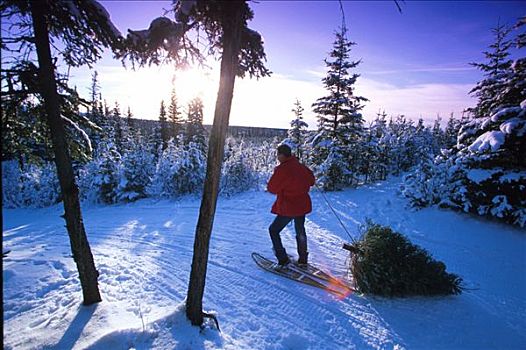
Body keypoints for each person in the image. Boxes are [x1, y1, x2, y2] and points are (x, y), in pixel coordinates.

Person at [267, 144, 315, 267]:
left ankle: (282, 260)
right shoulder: (301, 166)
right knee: (300, 231)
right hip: (302, 205)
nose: (277, 157)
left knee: (274, 230)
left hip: (288, 207)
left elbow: (272, 188)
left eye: (278, 154)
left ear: (283, 155)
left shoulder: (282, 169)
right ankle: (303, 260)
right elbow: (312, 181)